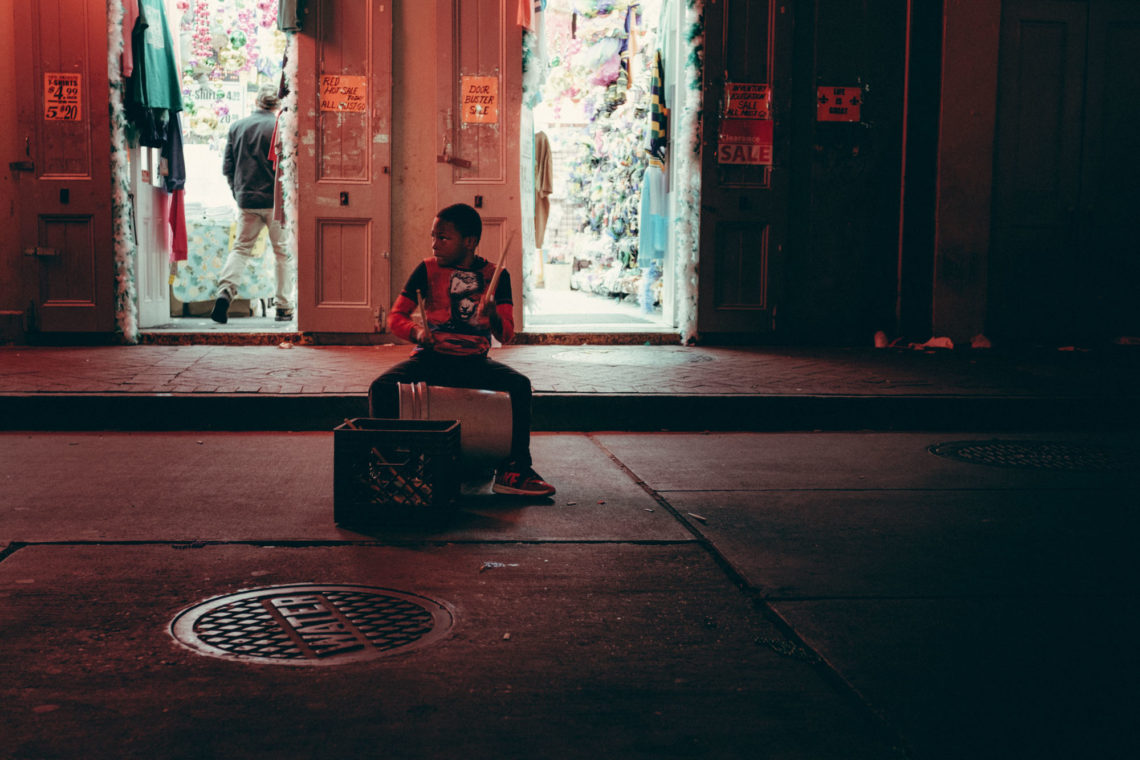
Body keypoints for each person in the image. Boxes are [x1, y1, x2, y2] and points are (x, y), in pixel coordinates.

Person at [369, 203, 556, 497]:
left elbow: (506, 334)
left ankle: (514, 470)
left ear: (469, 241)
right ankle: (391, 469)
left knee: (520, 386)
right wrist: (418, 332)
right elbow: (395, 318)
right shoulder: (427, 269)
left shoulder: (497, 275)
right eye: (433, 236)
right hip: (432, 358)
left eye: (443, 238)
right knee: (381, 388)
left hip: (473, 362)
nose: (434, 244)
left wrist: (492, 314)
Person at [212, 85, 294, 323]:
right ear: (277, 104)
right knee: (282, 253)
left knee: (241, 248)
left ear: (258, 102)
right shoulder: (281, 127)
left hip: (247, 199)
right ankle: (283, 306)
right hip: (276, 202)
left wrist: (237, 193)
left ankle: (225, 292)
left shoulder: (237, 127)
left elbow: (227, 167)